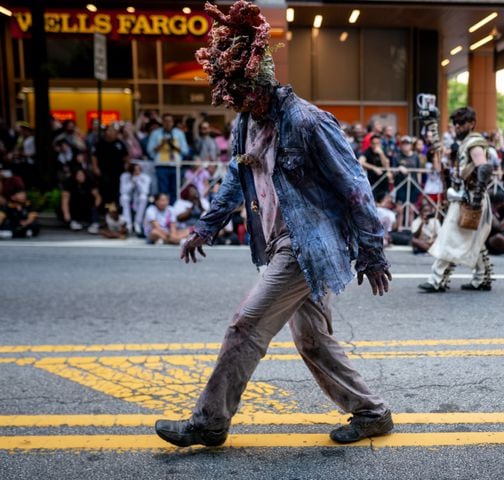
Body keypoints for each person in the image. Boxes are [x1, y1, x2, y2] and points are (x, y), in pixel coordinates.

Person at [154, 0, 393, 449]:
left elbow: (356, 188)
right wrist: (205, 228)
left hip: (308, 247)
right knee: (313, 341)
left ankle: (209, 421)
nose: (235, 102)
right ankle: (373, 412)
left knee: (245, 326)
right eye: (230, 95)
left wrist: (372, 252)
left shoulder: (307, 121)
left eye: (241, 92)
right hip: (279, 242)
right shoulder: (247, 123)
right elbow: (235, 178)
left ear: (260, 82)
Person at [417, 106, 494, 292]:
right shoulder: (465, 142)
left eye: (462, 123)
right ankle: (481, 277)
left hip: (470, 198)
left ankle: (437, 280)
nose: (458, 126)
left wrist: (475, 197)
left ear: (471, 124)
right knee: (474, 238)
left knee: (449, 238)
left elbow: (484, 168)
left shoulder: (474, 142)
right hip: (467, 197)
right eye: (456, 123)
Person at [146, 113, 189, 203]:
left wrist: (173, 146)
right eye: (165, 121)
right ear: (162, 122)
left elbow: (185, 151)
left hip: (175, 166)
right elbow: (149, 150)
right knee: (163, 190)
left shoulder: (179, 133)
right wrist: (162, 144)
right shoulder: (155, 133)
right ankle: (163, 211)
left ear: (173, 122)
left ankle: (173, 211)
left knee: (175, 190)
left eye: (170, 121)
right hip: (161, 166)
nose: (168, 123)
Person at [61, 169, 101, 234]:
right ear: (75, 176)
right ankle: (73, 222)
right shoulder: (69, 183)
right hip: (74, 206)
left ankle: (95, 224)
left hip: (87, 205)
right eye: (78, 175)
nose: (80, 177)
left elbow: (98, 197)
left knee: (93, 207)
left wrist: (95, 207)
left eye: (82, 175)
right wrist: (66, 214)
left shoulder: (90, 182)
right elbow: (65, 200)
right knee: (72, 205)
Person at [119, 162, 152, 235]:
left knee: (143, 197)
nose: (137, 172)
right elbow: (123, 191)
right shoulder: (124, 176)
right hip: (129, 197)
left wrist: (138, 182)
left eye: (138, 170)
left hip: (139, 198)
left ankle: (138, 223)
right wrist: (131, 183)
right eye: (134, 170)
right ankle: (128, 224)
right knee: (124, 197)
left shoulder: (145, 177)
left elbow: (145, 191)